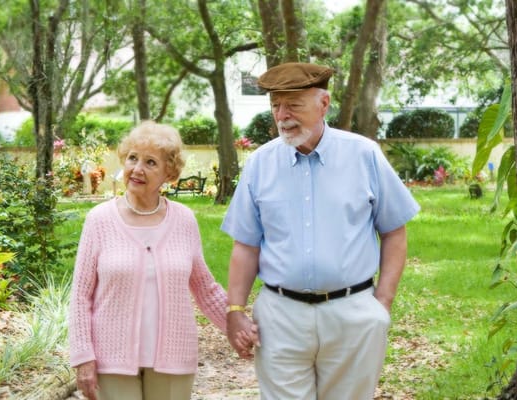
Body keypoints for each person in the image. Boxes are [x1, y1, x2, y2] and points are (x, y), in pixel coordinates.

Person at [222, 62, 420, 399]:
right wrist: (235, 310)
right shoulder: (260, 164)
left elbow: (394, 231)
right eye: (275, 105)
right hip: (280, 316)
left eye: (293, 105)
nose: (282, 115)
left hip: (353, 314)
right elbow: (246, 245)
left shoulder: (364, 154)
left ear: (323, 104)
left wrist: (381, 305)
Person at [68, 121, 231, 400]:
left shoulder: (183, 220)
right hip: (112, 358)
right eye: (133, 158)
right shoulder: (100, 220)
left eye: (150, 162)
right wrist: (83, 356)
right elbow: (81, 296)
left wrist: (239, 325)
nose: (137, 169)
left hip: (173, 358)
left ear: (169, 172)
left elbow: (205, 288)